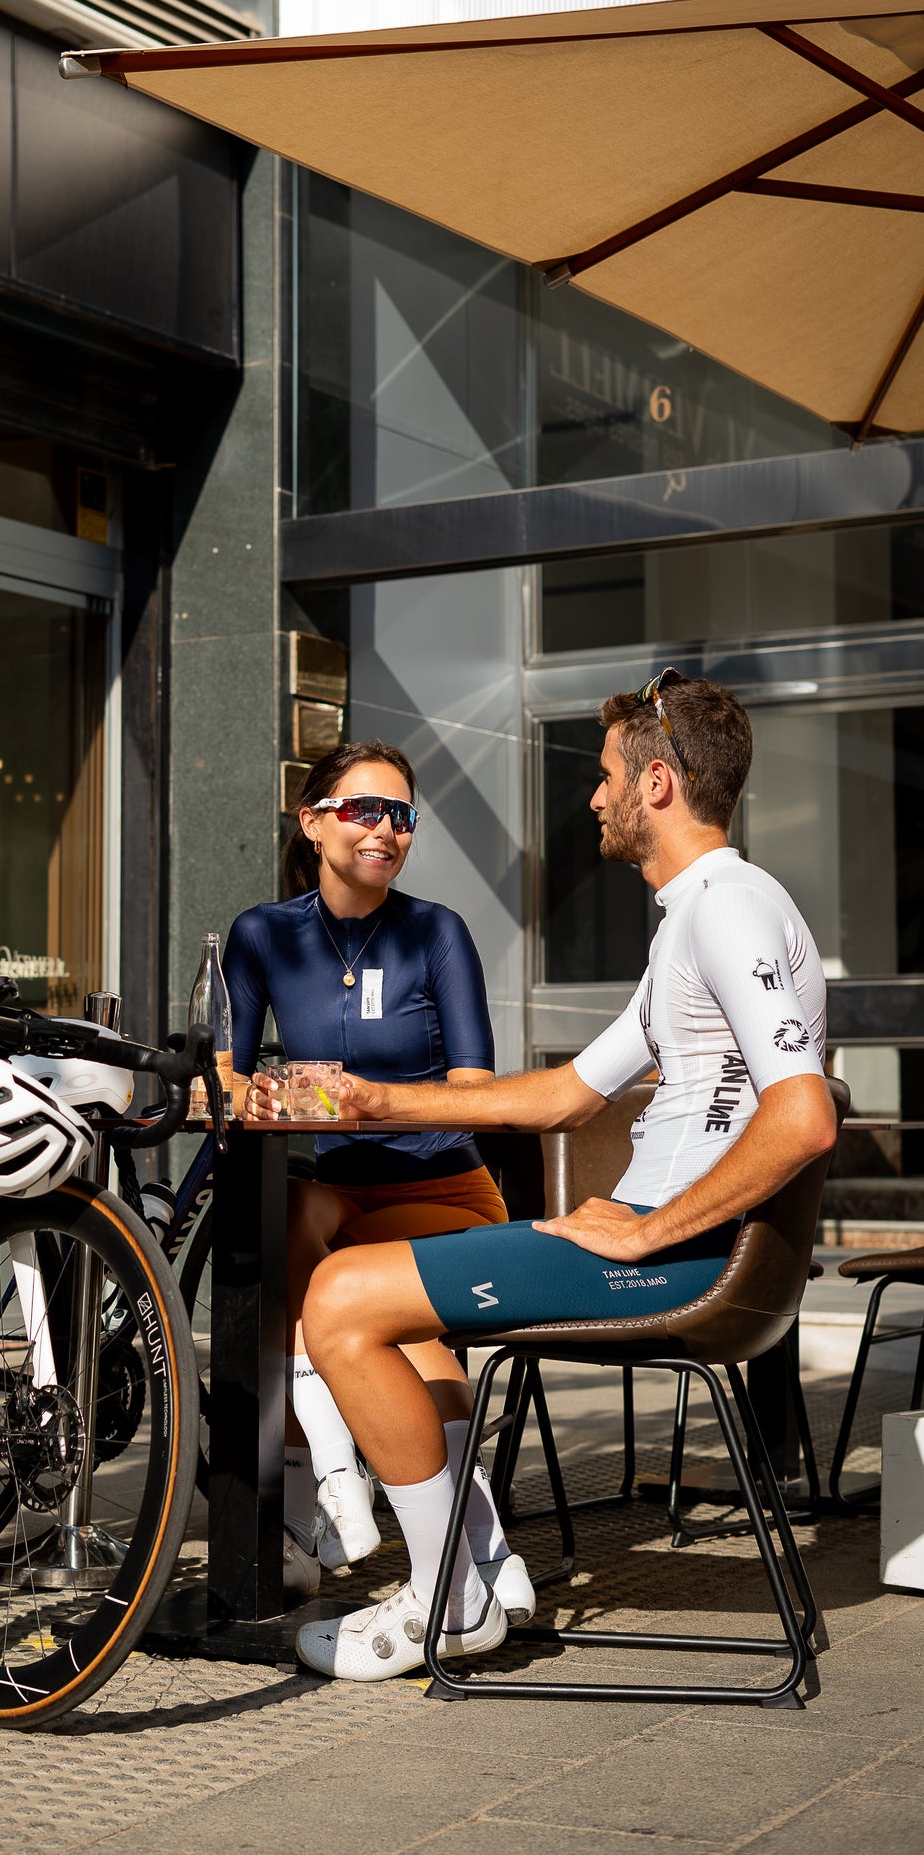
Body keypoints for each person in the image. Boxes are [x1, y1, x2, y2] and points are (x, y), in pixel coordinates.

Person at [295, 672, 837, 1680]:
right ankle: (476, 1562)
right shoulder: (697, 913)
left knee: (336, 1296)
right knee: (387, 1297)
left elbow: (803, 1115)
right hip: (666, 1242)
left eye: (606, 777)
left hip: (674, 1259)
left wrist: (649, 1227)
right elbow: (562, 1096)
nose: (594, 797)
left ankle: (447, 1597)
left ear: (660, 783)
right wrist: (380, 1099)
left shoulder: (728, 909)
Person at [224, 741, 533, 1619]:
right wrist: (262, 1093)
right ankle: (329, 1466)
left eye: (400, 816)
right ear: (313, 821)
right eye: (364, 809)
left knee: (371, 1312)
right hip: (340, 1192)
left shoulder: (435, 930)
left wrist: (368, 1103)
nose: (384, 830)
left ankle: (472, 1537)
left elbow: (475, 1093)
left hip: (443, 1191)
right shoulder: (261, 935)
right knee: (278, 1217)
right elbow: (231, 1072)